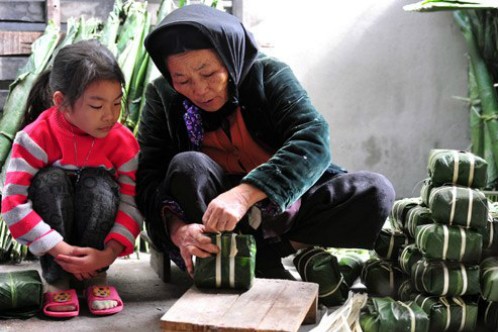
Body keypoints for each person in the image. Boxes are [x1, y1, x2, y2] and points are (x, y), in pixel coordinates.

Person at [137, 4, 395, 280]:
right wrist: (178, 231)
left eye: (209, 74)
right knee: (187, 165)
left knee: (375, 191)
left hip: (278, 204)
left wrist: (244, 194)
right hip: (211, 211)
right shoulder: (163, 97)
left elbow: (313, 137)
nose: (199, 90)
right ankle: (221, 257)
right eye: (182, 80)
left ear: (230, 58)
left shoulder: (267, 74)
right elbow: (148, 178)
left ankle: (263, 256)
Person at [1, 40, 142, 317]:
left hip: (99, 251)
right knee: (49, 180)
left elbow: (132, 202)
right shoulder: (34, 138)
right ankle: (56, 280)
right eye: (97, 105)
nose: (110, 116)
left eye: (117, 103)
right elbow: (12, 204)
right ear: (60, 103)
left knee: (99, 183)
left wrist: (108, 254)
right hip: (55, 247)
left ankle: (95, 278)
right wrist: (61, 250)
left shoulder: (123, 142)